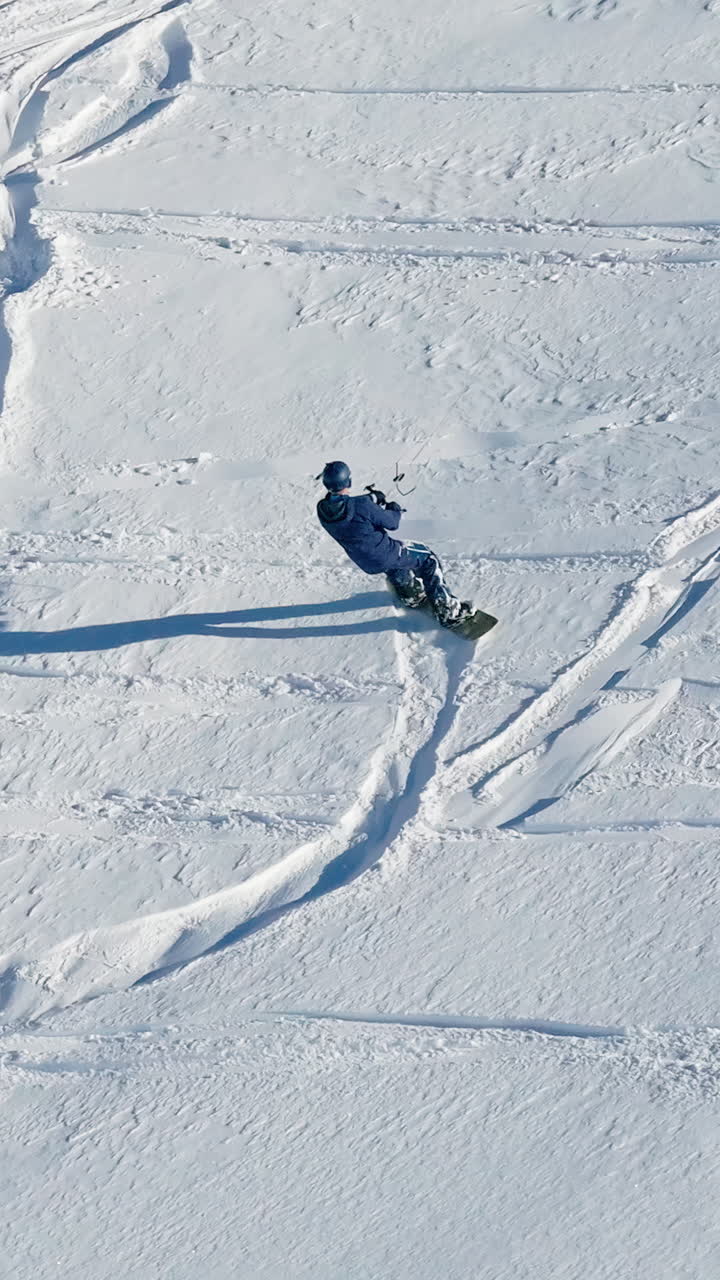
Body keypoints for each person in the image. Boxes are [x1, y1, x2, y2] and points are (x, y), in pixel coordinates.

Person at [316, 460, 472, 628]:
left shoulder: (323, 509)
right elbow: (392, 523)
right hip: (386, 552)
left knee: (394, 563)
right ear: (349, 481)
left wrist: (373, 498)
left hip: (364, 561)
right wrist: (394, 508)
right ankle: (448, 611)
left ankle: (410, 593)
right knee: (428, 559)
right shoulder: (362, 505)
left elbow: (349, 507)